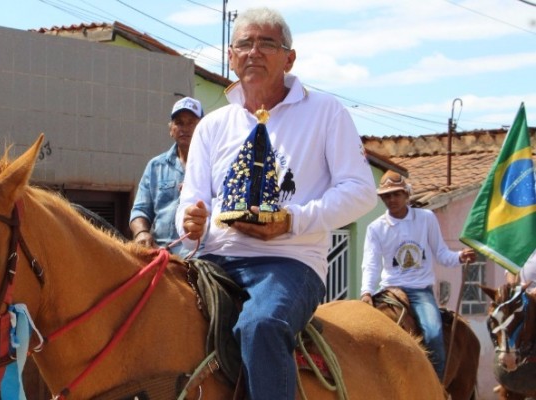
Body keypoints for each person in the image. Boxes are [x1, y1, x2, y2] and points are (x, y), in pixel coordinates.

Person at [176, 7, 377, 399]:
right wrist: (191, 222)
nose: (254, 52)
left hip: (290, 261)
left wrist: (293, 220)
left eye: (266, 43)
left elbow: (360, 191)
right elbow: (192, 200)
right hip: (213, 259)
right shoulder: (212, 127)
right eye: (244, 44)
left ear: (289, 57)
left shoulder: (325, 112)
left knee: (261, 325)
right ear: (231, 57)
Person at [360, 170, 477, 382]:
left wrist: (460, 257)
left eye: (396, 194)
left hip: (420, 291)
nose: (391, 199)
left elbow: (441, 253)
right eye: (386, 196)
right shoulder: (376, 228)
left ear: (407, 194)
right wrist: (366, 292)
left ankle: (435, 386)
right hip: (390, 291)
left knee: (433, 334)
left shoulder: (426, 219)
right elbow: (371, 263)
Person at [129, 97, 203, 257]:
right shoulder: (155, 166)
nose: (185, 128)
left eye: (191, 122)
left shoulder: (213, 165)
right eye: (179, 122)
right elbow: (140, 210)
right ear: (171, 129)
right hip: (160, 252)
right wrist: (141, 233)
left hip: (201, 255)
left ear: (203, 128)